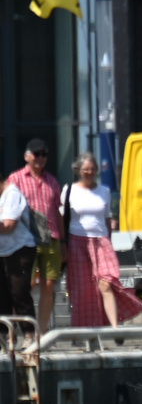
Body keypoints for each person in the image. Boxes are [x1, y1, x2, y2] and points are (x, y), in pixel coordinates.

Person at [61, 153, 142, 327]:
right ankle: (81, 331)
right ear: (78, 170)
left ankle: (114, 327)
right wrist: (63, 245)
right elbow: (62, 218)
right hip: (77, 240)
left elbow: (107, 219)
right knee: (82, 291)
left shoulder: (104, 191)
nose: (90, 172)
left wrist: (109, 243)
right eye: (86, 170)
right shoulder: (69, 190)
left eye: (93, 169)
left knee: (107, 282)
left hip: (101, 241)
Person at [9, 140, 63, 329]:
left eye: (44, 154)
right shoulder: (15, 179)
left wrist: (63, 241)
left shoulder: (52, 181)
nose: (40, 158)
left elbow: (57, 212)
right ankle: (17, 329)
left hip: (51, 237)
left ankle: (42, 330)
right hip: (26, 240)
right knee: (24, 286)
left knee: (48, 285)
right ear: (27, 156)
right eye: (36, 153)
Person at [0, 163, 37, 320]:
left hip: (20, 250)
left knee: (19, 293)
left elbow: (8, 226)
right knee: (2, 297)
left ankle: (30, 336)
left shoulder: (12, 194)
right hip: (2, 252)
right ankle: (5, 337)